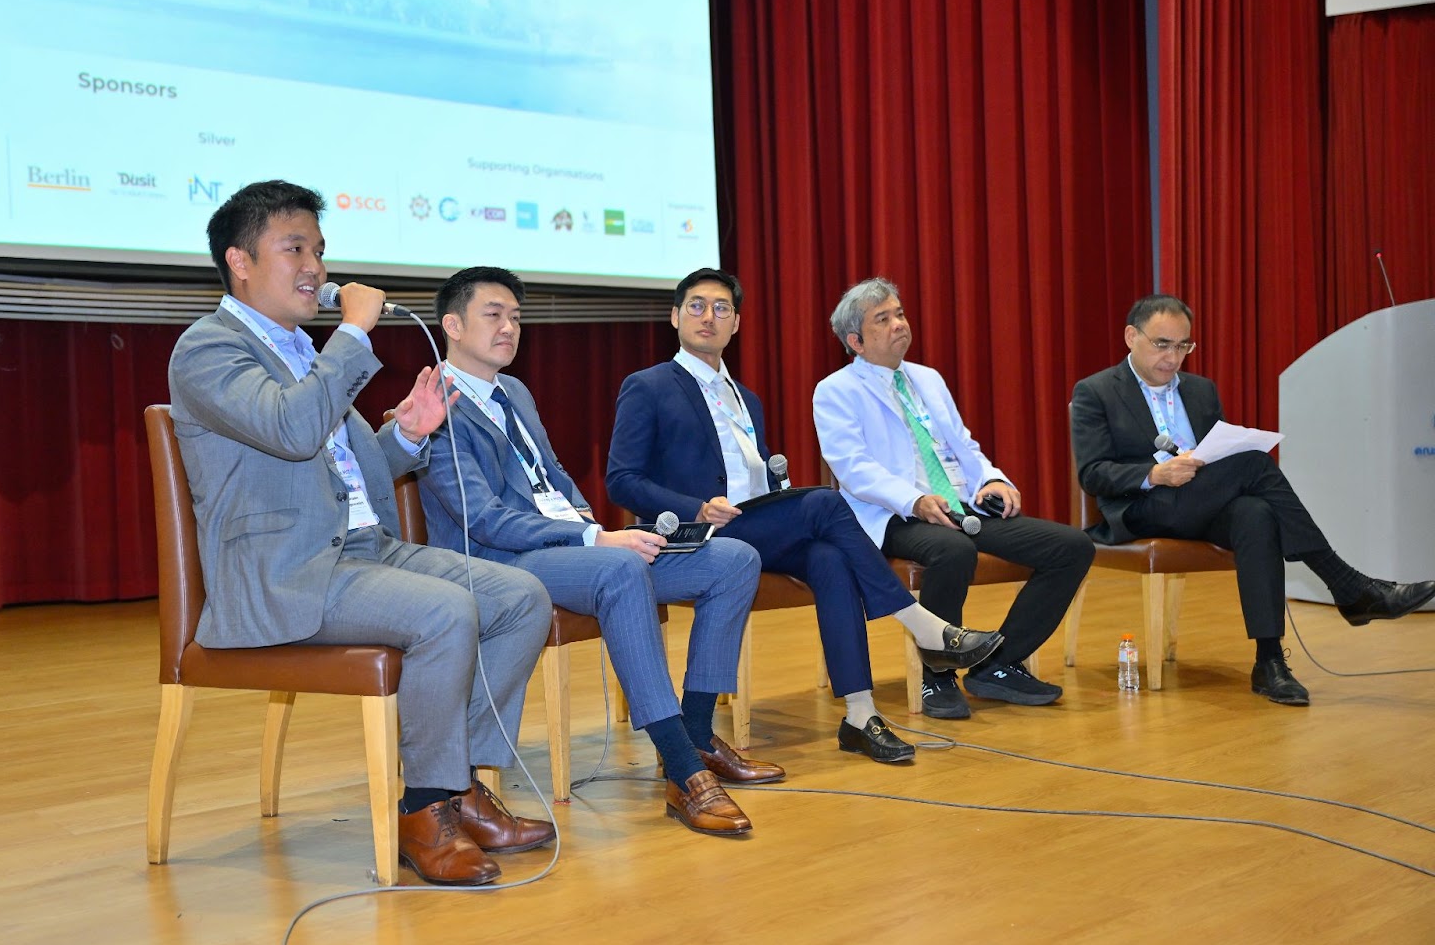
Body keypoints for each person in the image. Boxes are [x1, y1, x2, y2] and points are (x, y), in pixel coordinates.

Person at [167, 181, 555, 886]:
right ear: (241, 261)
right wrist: (350, 336)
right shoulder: (208, 349)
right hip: (289, 572)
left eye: (319, 249)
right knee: (445, 612)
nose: (316, 266)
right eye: (295, 248)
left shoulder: (300, 353)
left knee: (521, 596)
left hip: (364, 551)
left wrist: (406, 434)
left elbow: (351, 467)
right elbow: (291, 430)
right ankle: (425, 808)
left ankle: (459, 785)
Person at [420, 266, 780, 837]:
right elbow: (483, 518)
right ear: (453, 325)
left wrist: (593, 526)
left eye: (516, 317)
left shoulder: (512, 391)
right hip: (501, 563)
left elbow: (557, 478)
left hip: (576, 553)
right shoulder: (434, 405)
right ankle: (684, 771)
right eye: (494, 315)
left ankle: (695, 732)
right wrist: (593, 539)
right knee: (618, 568)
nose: (510, 327)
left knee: (734, 558)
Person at [605, 267, 1005, 761]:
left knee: (829, 558)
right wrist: (695, 506)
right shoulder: (648, 385)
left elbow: (756, 476)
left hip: (755, 523)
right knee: (825, 502)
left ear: (736, 324)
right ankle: (920, 622)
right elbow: (621, 479)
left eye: (722, 308)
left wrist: (778, 486)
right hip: (702, 531)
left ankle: (860, 714)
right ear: (674, 317)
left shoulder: (744, 399)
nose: (709, 316)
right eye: (696, 306)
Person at [1071, 293, 1435, 705]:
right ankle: (1349, 586)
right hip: (1143, 507)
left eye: (1183, 346)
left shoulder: (1201, 391)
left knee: (1256, 512)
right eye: (1162, 344)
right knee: (1253, 465)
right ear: (1131, 336)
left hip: (1199, 502)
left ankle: (1269, 662)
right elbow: (1092, 472)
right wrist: (1153, 474)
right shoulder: (1096, 391)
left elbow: (1218, 458)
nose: (1173, 357)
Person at [813, 277, 1094, 719]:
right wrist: (915, 499)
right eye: (882, 320)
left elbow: (963, 446)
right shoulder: (835, 391)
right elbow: (854, 468)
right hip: (891, 515)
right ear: (856, 341)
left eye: (899, 314)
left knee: (1072, 546)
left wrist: (992, 480)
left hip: (962, 506)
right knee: (952, 551)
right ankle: (936, 678)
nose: (898, 325)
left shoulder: (927, 378)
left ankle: (997, 665)